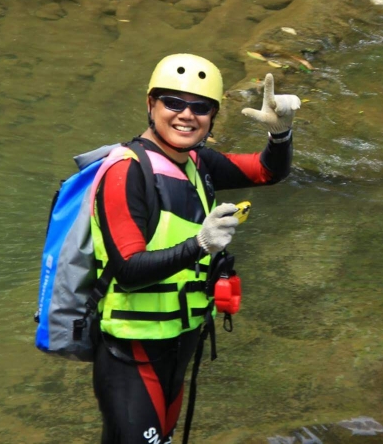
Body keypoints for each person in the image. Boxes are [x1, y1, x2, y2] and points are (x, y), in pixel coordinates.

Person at [90, 53, 301, 444]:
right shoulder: (127, 170)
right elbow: (128, 271)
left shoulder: (198, 162)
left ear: (212, 117)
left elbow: (267, 171)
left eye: (201, 107)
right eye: (173, 102)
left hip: (179, 344)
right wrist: (200, 244)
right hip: (131, 352)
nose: (187, 115)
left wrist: (281, 134)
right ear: (150, 104)